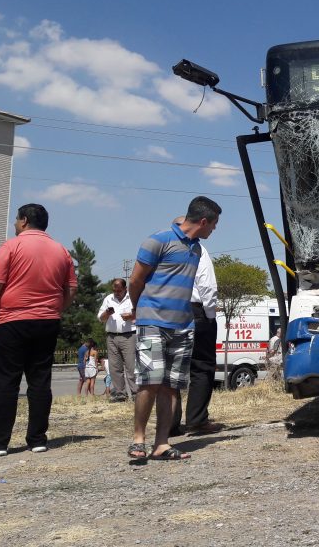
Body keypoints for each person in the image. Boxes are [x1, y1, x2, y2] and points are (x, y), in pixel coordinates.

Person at [0, 203, 77, 457]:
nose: (14, 224)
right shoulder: (61, 250)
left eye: (16, 220)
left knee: (5, 382)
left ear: (23, 221)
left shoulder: (11, 246)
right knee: (40, 381)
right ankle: (37, 439)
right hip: (47, 321)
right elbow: (71, 290)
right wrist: (55, 309)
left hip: (13, 320)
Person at [128, 196, 220, 461]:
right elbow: (135, 280)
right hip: (153, 320)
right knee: (150, 380)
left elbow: (183, 223)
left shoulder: (197, 249)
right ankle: (138, 440)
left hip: (183, 325)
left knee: (171, 386)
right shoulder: (157, 240)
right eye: (213, 224)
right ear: (203, 221)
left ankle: (162, 444)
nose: (214, 229)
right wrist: (139, 309)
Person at [171, 216, 223, 437]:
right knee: (201, 367)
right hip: (195, 310)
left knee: (172, 370)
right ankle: (197, 421)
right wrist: (210, 315)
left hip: (169, 309)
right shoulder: (198, 250)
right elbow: (207, 285)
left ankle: (170, 423)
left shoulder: (163, 248)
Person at [97, 278, 137, 402]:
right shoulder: (108, 299)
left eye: (119, 290)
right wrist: (107, 314)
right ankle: (120, 393)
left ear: (125, 289)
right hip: (112, 336)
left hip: (129, 335)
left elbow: (142, 313)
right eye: (114, 290)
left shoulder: (133, 298)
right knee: (115, 367)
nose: (116, 293)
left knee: (131, 366)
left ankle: (136, 393)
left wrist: (131, 316)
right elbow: (100, 318)